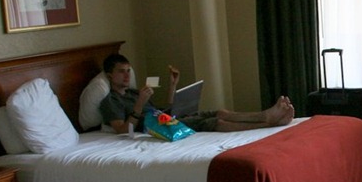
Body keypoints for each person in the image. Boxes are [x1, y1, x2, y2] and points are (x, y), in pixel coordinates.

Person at [97, 53, 294, 134]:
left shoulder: (133, 92)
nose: (127, 75)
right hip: (157, 127)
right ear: (109, 75)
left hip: (165, 117)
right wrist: (140, 104)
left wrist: (173, 86)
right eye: (121, 72)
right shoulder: (110, 101)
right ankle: (268, 123)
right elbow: (122, 130)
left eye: (128, 71)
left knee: (220, 112)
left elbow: (166, 109)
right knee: (216, 122)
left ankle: (265, 115)